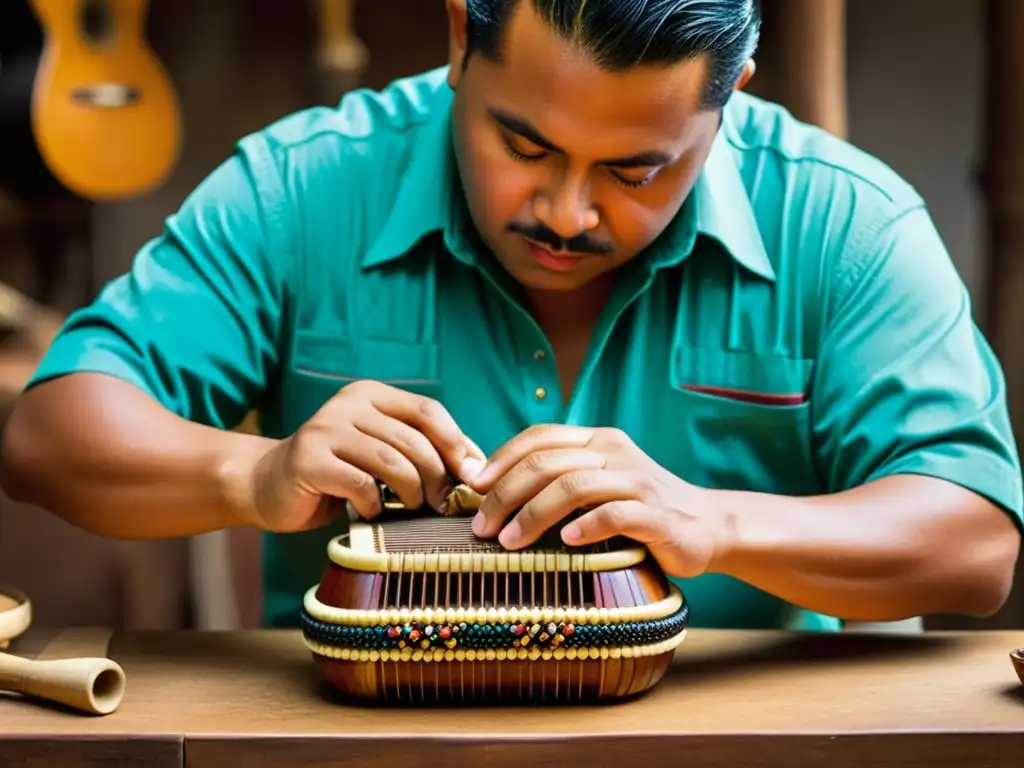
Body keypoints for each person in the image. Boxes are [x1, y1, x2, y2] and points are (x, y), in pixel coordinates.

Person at [1, 0, 1021, 632]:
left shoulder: (844, 222)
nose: (566, 213)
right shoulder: (303, 186)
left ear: (728, 98)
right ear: (458, 36)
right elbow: (49, 436)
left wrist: (712, 523)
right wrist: (251, 471)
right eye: (523, 145)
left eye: (636, 169)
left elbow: (975, 548)